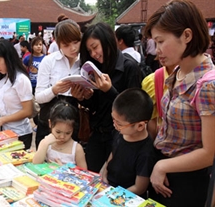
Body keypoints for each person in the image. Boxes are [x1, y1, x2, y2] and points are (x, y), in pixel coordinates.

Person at [144, 0, 215, 206]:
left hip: (185, 179)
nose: (156, 50)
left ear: (186, 35)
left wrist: (162, 167)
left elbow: (209, 153)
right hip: (162, 169)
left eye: (160, 41)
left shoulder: (207, 85)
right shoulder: (178, 71)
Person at [70, 22, 142, 173]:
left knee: (115, 183)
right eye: (90, 51)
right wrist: (83, 98)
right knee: (91, 178)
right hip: (97, 134)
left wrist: (109, 90)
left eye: (95, 47)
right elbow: (98, 107)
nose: (94, 54)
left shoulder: (130, 67)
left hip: (120, 138)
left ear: (107, 40)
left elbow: (134, 111)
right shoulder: (95, 69)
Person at [35, 19, 82, 148]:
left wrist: (82, 96)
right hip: (49, 122)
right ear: (58, 44)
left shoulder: (84, 62)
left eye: (76, 42)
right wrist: (54, 90)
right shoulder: (49, 61)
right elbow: (38, 96)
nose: (73, 48)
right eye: (66, 45)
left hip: (72, 124)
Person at [100, 88, 155, 197]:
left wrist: (113, 195)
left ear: (140, 125)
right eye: (113, 119)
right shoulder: (121, 132)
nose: (114, 125)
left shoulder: (146, 152)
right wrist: (103, 171)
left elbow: (140, 187)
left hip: (125, 196)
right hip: (108, 187)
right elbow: (114, 153)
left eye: (119, 124)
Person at [0, 39, 33, 150]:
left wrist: (2, 120)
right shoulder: (4, 78)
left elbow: (27, 110)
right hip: (6, 131)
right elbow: (8, 103)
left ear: (8, 58)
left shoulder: (21, 80)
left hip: (20, 133)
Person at [33, 100, 87, 169]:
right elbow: (35, 164)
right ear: (50, 124)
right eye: (58, 132)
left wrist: (64, 170)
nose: (62, 137)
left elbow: (84, 174)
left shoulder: (77, 149)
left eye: (67, 133)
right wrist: (45, 144)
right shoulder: (46, 142)